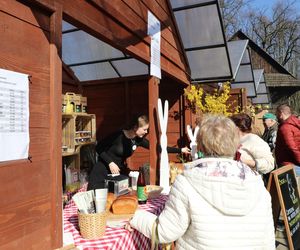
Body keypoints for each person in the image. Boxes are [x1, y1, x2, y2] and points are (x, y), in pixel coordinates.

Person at [125, 114, 275, 249]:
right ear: (237, 144)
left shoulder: (187, 181)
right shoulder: (256, 183)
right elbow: (268, 239)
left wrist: (135, 217)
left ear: (201, 145)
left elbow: (165, 232)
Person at [87, 115, 190, 190]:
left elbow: (158, 148)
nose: (146, 132)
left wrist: (180, 150)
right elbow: (98, 148)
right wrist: (110, 162)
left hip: (115, 174)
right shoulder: (117, 136)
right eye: (144, 129)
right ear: (135, 127)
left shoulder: (138, 140)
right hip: (101, 171)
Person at [275, 104, 300, 170]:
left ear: (281, 113)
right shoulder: (295, 123)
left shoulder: (285, 128)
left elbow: (291, 147)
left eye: (276, 114)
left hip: (289, 164)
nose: (276, 116)